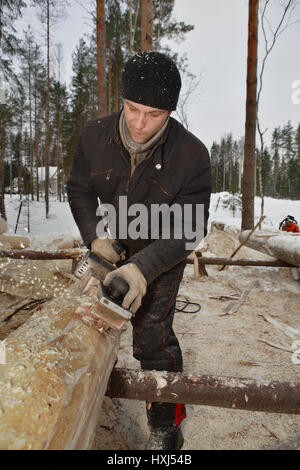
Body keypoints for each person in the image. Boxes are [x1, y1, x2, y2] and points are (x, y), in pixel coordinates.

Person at [67, 51, 211, 450]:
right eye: (132, 109)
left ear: (170, 112)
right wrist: (95, 238)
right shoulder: (95, 135)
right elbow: (78, 188)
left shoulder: (192, 155)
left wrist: (140, 270)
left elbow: (190, 228)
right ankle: (94, 389)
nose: (140, 123)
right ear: (122, 100)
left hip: (164, 248)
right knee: (88, 313)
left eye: (154, 113)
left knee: (152, 337)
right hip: (116, 236)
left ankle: (166, 426)